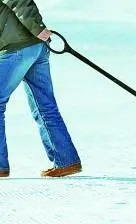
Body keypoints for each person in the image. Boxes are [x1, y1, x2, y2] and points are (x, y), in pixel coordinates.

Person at [0, 0, 82, 177]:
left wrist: (38, 28)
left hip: (18, 49)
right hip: (34, 47)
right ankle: (66, 161)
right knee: (44, 105)